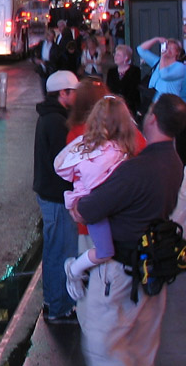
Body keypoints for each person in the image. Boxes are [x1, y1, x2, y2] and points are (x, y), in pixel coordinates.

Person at [70, 94, 186, 366]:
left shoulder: (135, 170)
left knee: (104, 348)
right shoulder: (173, 162)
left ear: (152, 119)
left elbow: (89, 208)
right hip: (152, 270)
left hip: (119, 274)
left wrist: (78, 204)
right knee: (140, 348)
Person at [55, 94, 142, 264]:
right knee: (105, 252)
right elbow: (96, 184)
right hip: (96, 212)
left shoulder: (87, 145)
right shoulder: (112, 152)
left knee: (103, 252)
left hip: (91, 211)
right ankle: (73, 270)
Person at [34, 69, 80, 324]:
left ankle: (53, 302)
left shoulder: (48, 117)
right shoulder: (57, 122)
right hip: (57, 195)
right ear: (63, 93)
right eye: (72, 92)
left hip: (48, 193)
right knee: (61, 252)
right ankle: (59, 308)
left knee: (53, 250)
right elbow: (66, 163)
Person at [137, 37, 186, 162]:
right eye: (166, 47)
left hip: (176, 105)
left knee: (180, 140)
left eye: (171, 48)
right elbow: (140, 50)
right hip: (158, 103)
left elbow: (165, 75)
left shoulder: (180, 68)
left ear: (178, 52)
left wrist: (163, 58)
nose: (168, 51)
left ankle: (183, 164)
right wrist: (155, 40)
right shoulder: (158, 62)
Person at [106, 43, 142, 119]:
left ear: (126, 58)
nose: (115, 57)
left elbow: (133, 90)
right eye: (115, 54)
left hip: (129, 108)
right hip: (113, 107)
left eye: (118, 55)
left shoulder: (135, 71)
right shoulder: (111, 72)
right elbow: (108, 89)